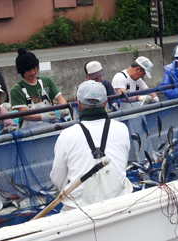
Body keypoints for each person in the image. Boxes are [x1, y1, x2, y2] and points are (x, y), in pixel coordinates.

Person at [50, 80, 132, 211]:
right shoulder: (122, 128)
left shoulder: (66, 135)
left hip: (79, 208)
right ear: (105, 103)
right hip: (119, 203)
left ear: (79, 105)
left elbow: (57, 179)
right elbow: (122, 164)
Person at [9, 47, 69, 129]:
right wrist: (41, 117)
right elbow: (25, 114)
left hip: (51, 126)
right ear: (22, 71)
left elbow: (60, 98)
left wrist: (63, 108)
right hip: (29, 131)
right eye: (28, 70)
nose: (33, 72)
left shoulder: (47, 81)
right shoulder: (16, 90)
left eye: (34, 68)